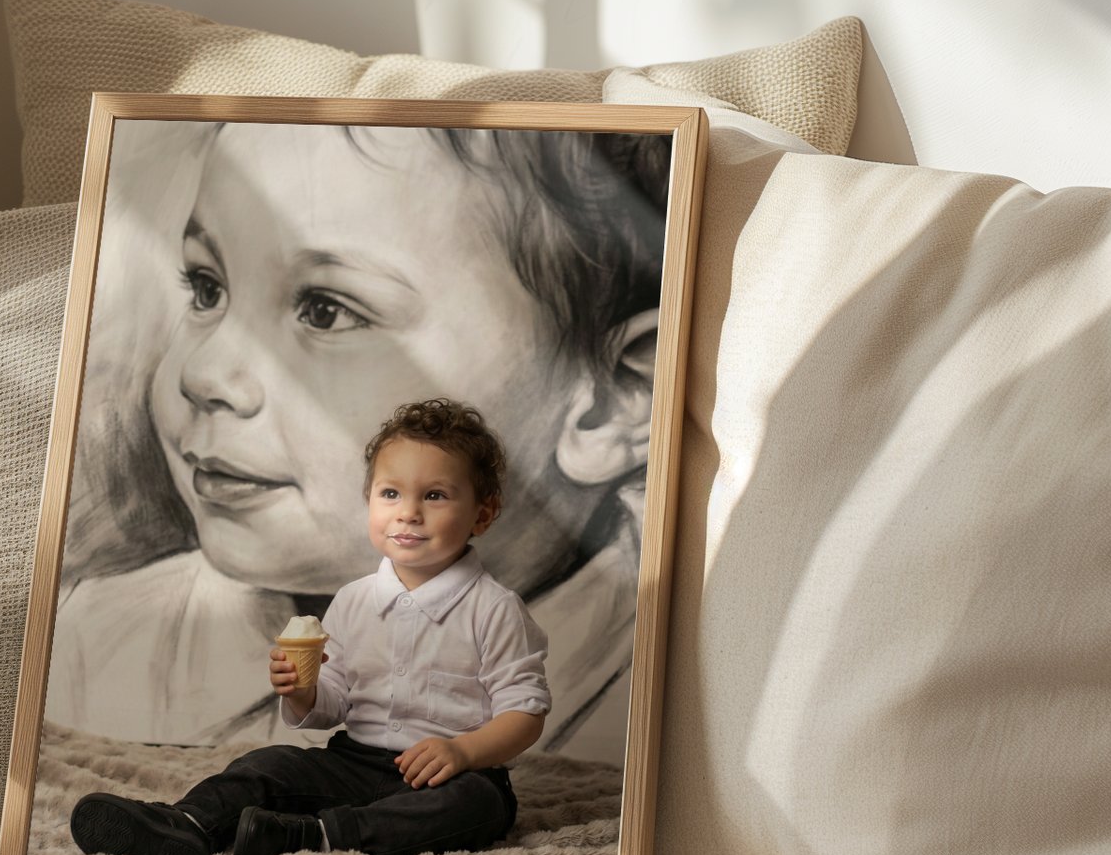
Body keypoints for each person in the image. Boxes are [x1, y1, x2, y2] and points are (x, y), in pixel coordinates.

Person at [43, 120, 666, 764]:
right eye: (207, 288)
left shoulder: (662, 685)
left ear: (611, 403)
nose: (201, 375)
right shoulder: (97, 637)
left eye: (326, 310)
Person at [69, 400, 548, 855]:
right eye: (390, 494)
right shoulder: (354, 600)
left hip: (449, 776)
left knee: (475, 807)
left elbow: (524, 714)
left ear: (482, 515)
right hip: (354, 763)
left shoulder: (494, 609)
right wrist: (303, 692)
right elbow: (332, 704)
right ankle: (186, 823)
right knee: (271, 764)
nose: (408, 512)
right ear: (369, 502)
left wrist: (463, 751)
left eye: (435, 495)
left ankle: (313, 836)